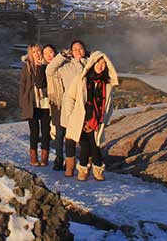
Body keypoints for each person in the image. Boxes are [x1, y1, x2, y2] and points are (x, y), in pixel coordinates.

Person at [65, 51, 119, 181]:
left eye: (104, 63)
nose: (101, 66)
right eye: (98, 62)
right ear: (92, 63)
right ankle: (90, 169)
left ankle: (90, 169)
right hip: (81, 118)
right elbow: (69, 97)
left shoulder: (107, 83)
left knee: (94, 144)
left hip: (98, 119)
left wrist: (106, 119)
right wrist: (71, 114)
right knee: (86, 144)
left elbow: (109, 103)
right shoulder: (81, 78)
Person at [46, 40, 89, 176]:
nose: (77, 51)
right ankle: (69, 167)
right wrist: (62, 56)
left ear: (84, 50)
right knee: (69, 136)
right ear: (70, 51)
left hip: (86, 104)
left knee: (85, 137)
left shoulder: (90, 63)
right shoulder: (65, 65)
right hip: (70, 105)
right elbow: (49, 70)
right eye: (74, 49)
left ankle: (84, 165)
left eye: (80, 48)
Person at [18, 44, 51, 166]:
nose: (37, 53)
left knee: (46, 131)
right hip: (32, 103)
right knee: (34, 131)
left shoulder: (47, 64)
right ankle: (33, 157)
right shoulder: (27, 66)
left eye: (38, 51)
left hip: (46, 103)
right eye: (34, 52)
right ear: (30, 54)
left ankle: (44, 157)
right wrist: (22, 101)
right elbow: (23, 84)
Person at [42, 44, 64, 171]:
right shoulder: (46, 68)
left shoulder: (65, 65)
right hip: (55, 102)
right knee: (59, 132)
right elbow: (40, 82)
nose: (49, 55)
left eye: (51, 52)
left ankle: (73, 159)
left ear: (56, 53)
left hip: (69, 101)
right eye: (46, 54)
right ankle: (59, 157)